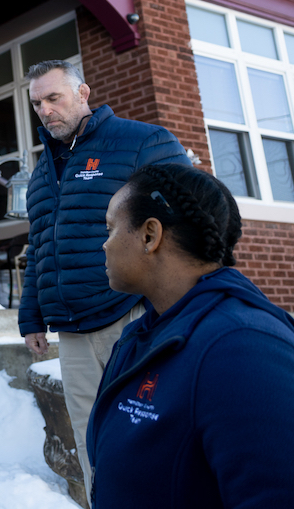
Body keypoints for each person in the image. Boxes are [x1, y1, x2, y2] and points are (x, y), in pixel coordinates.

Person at [17, 59, 190, 501]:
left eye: (54, 98)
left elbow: (190, 217)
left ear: (83, 93)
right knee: (91, 441)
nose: (45, 110)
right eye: (37, 103)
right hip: (72, 329)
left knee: (146, 433)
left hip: (131, 316)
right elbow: (40, 246)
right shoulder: (41, 174)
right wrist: (32, 315)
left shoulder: (141, 142)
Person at [88, 163, 294, 508]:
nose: (104, 245)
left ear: (149, 235)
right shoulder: (143, 334)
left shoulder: (242, 348)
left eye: (110, 228)